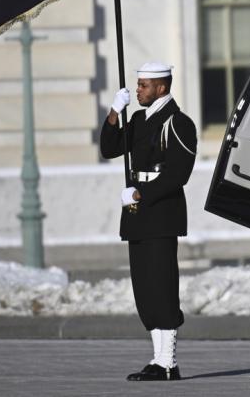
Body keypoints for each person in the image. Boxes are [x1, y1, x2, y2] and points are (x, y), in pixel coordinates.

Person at [100, 62, 197, 382]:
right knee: (145, 290)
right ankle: (157, 360)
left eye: (144, 85)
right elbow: (109, 148)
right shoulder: (139, 120)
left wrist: (142, 194)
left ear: (162, 88)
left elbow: (178, 175)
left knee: (161, 287)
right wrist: (115, 113)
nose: (138, 89)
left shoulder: (179, 123)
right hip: (138, 215)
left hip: (160, 214)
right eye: (138, 84)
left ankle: (168, 363)